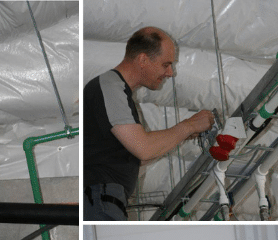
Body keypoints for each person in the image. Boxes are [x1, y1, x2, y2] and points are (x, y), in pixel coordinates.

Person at [84, 27, 215, 221]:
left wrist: (181, 135)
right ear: (143, 60)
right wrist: (189, 126)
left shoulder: (118, 92)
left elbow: (136, 157)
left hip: (105, 199)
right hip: (100, 199)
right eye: (166, 64)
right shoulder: (110, 87)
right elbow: (143, 149)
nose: (170, 72)